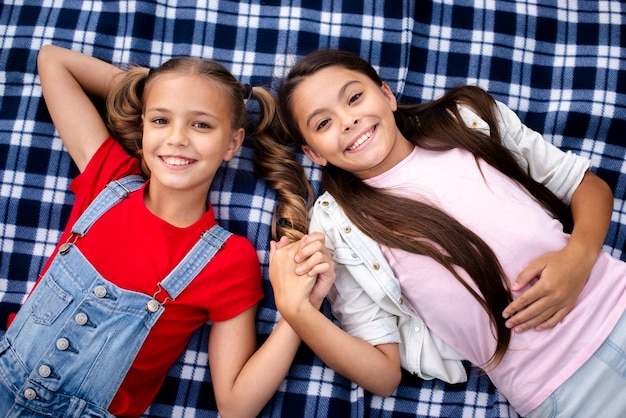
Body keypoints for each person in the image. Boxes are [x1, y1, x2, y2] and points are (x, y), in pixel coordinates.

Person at [261, 49, 626, 417]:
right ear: (314, 153)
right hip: (556, 390)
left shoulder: (465, 120)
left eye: (355, 98)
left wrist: (579, 256)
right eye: (323, 123)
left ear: (387, 94)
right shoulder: (337, 228)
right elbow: (383, 375)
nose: (348, 121)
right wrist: (297, 311)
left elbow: (585, 185)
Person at [0, 45, 334, 418]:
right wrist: (152, 86)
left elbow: (237, 406)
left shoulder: (228, 259)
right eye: (161, 121)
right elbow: (53, 60)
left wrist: (297, 311)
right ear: (142, 127)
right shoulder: (108, 179)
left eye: (201, 124)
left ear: (232, 143)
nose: (177, 138)